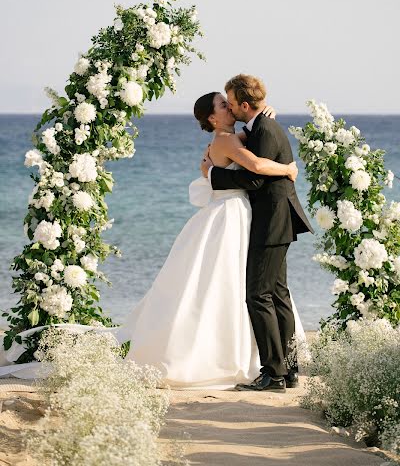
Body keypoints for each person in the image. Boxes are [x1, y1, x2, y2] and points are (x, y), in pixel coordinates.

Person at [0, 91, 305, 388]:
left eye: (230, 104)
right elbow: (257, 166)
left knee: (236, 282)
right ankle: (256, 360)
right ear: (212, 118)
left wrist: (261, 120)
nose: (229, 109)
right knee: (231, 282)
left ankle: (265, 360)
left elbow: (246, 142)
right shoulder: (225, 139)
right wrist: (289, 169)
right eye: (223, 106)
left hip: (239, 214)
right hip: (230, 215)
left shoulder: (232, 138)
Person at [201, 74, 313, 393]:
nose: (231, 108)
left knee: (258, 295)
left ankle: (273, 374)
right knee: (277, 294)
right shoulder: (262, 126)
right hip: (280, 218)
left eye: (232, 103)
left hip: (271, 219)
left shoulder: (262, 128)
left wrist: (212, 173)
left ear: (245, 105)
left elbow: (254, 180)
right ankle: (288, 370)